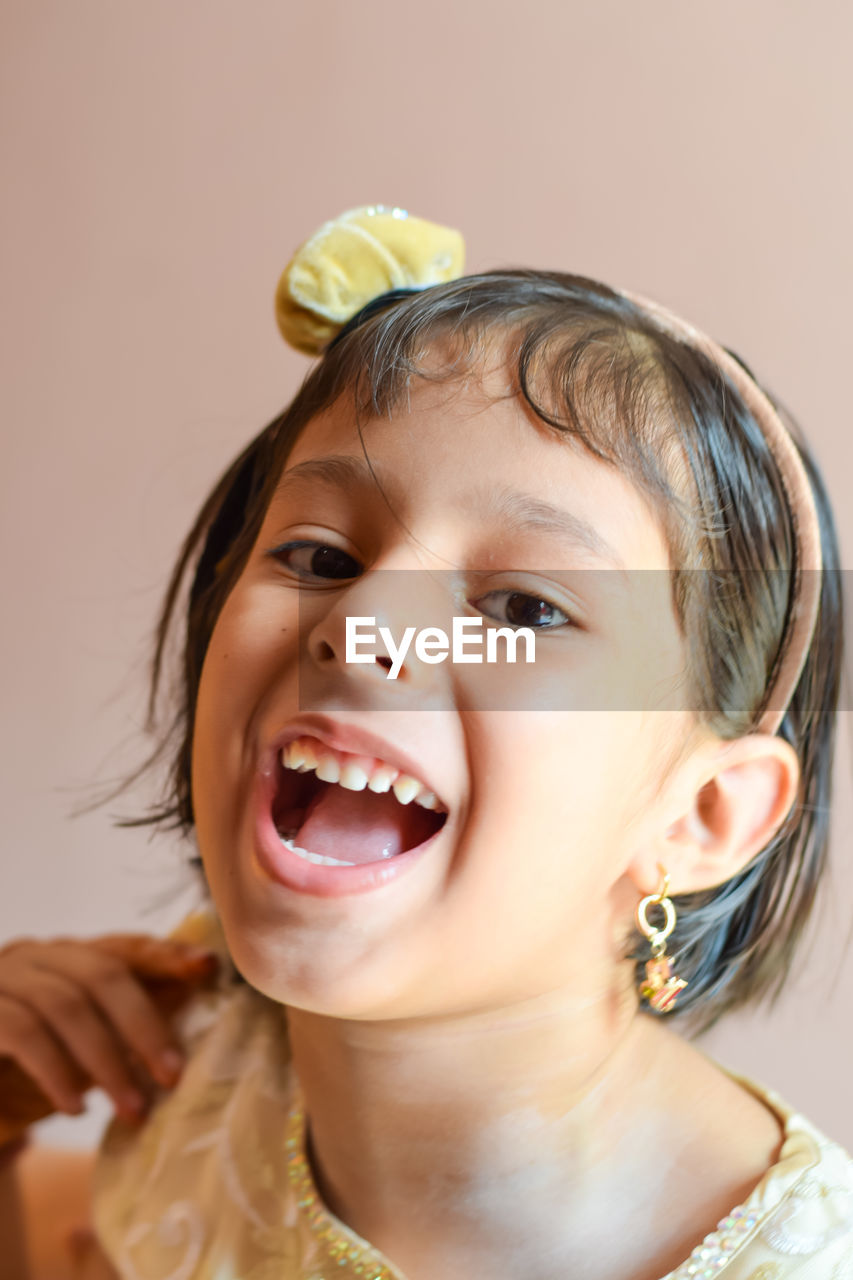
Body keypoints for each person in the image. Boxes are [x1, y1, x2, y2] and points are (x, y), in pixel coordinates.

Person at [2, 206, 852, 1279]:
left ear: (698, 816)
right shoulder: (197, 1051)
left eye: (525, 608)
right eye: (316, 554)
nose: (359, 627)